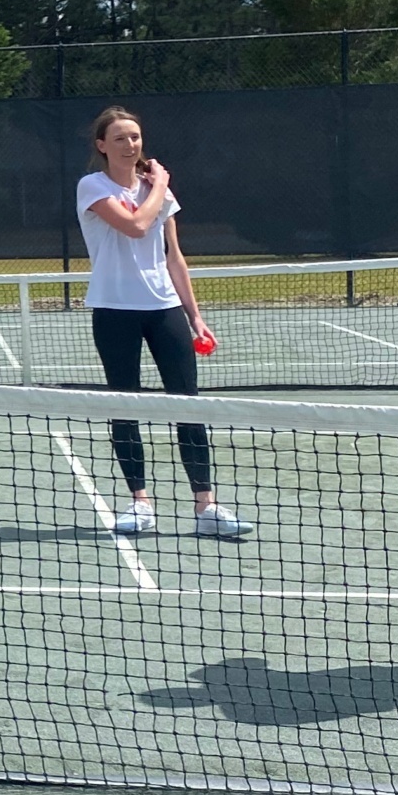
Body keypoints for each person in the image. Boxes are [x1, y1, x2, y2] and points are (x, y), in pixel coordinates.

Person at [79, 106, 248, 539]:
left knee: (187, 405)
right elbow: (135, 225)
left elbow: (174, 256)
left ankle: (206, 506)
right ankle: (141, 503)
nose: (129, 144)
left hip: (165, 310)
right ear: (102, 146)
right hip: (115, 310)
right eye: (119, 138)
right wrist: (163, 185)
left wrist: (195, 316)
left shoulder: (157, 192)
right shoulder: (92, 187)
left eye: (134, 137)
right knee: (125, 406)